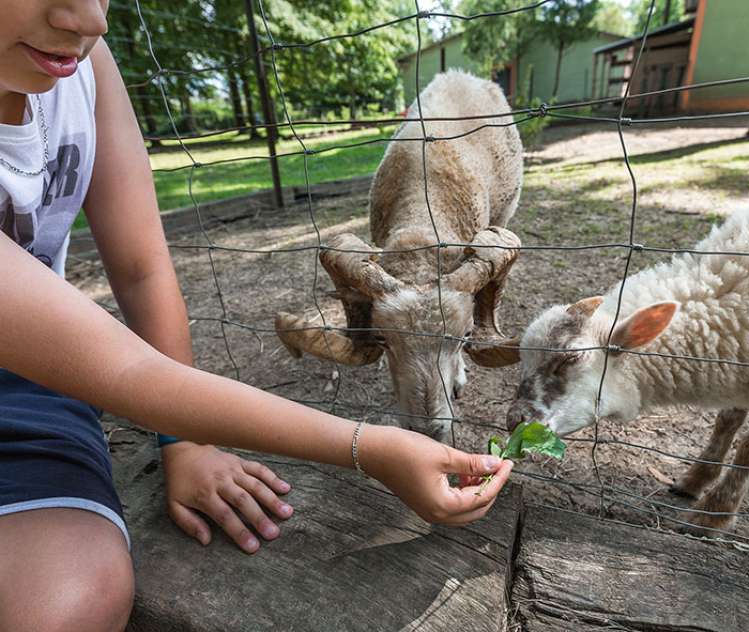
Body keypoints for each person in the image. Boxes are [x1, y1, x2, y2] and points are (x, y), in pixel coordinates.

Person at [0, 2, 514, 630]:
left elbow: (141, 268)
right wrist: (368, 447)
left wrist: (184, 440)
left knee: (70, 602)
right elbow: (126, 372)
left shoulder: (80, 64)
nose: (91, 18)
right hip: (63, 370)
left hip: (31, 392)